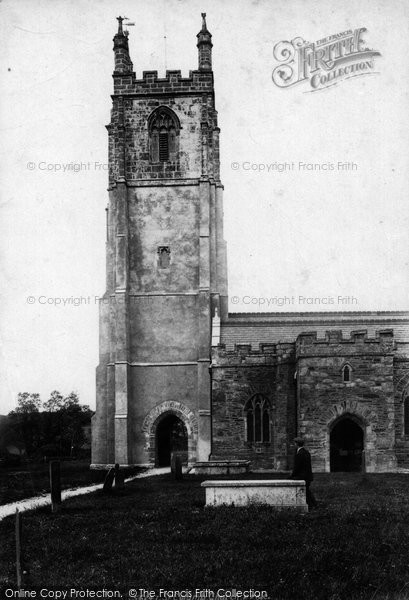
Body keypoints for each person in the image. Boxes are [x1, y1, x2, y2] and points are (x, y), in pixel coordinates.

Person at [291, 437, 317, 509]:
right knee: (307, 491)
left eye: (294, 443)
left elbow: (297, 467)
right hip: (308, 476)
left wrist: (292, 476)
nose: (294, 445)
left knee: (306, 492)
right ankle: (313, 504)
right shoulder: (306, 452)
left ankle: (312, 505)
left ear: (296, 444)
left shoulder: (299, 454)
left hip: (303, 476)